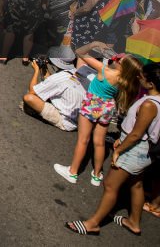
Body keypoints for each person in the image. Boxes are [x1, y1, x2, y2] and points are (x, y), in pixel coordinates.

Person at [65, 61, 160, 237]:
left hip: (134, 150)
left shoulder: (149, 105)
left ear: (151, 84)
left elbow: (136, 134)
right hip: (144, 151)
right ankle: (134, 222)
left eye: (142, 77)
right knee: (136, 184)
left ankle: (93, 224)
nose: (139, 78)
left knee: (110, 185)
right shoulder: (156, 100)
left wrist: (119, 149)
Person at [55, 54, 143, 188]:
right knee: (100, 143)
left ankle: (72, 172)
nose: (118, 59)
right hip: (107, 107)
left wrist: (96, 45)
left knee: (83, 140)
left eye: (120, 60)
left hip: (92, 104)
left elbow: (81, 53)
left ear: (123, 66)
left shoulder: (105, 70)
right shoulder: (125, 81)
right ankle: (96, 175)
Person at [22, 60, 90, 132]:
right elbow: (52, 82)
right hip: (81, 118)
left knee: (29, 98)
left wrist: (36, 70)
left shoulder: (59, 77)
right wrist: (43, 67)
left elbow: (33, 91)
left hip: (67, 121)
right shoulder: (76, 72)